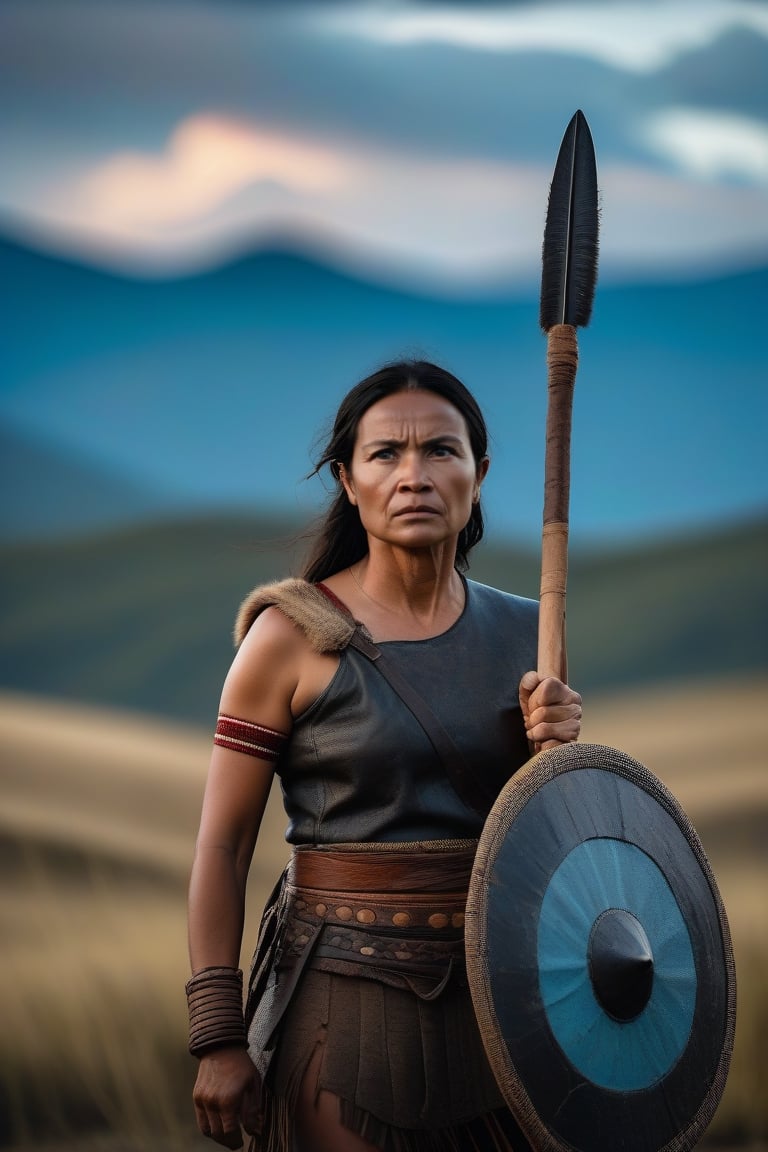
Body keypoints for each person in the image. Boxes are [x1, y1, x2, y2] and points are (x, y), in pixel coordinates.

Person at [186, 360, 582, 1152]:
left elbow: (553, 841)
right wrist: (218, 1034)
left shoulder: (529, 632)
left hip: (505, 1003)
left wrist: (562, 754)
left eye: (441, 451)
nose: (414, 476)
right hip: (345, 1000)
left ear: (480, 472)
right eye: (385, 455)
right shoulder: (288, 637)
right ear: (347, 478)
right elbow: (223, 848)